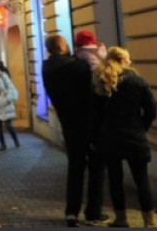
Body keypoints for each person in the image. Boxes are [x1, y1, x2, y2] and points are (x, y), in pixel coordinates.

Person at [42, 34, 108, 227]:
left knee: (75, 169)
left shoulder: (47, 68)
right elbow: (95, 81)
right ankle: (93, 212)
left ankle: (71, 212)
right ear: (60, 47)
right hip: (90, 124)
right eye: (66, 43)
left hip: (69, 126)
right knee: (96, 168)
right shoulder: (76, 66)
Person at [91, 47, 157, 228]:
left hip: (109, 138)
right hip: (135, 136)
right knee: (141, 179)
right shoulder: (138, 80)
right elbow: (151, 109)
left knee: (115, 180)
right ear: (122, 60)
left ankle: (121, 219)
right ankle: (149, 221)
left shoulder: (101, 80)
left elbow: (94, 114)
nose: (130, 62)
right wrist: (142, 127)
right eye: (128, 59)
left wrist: (94, 138)